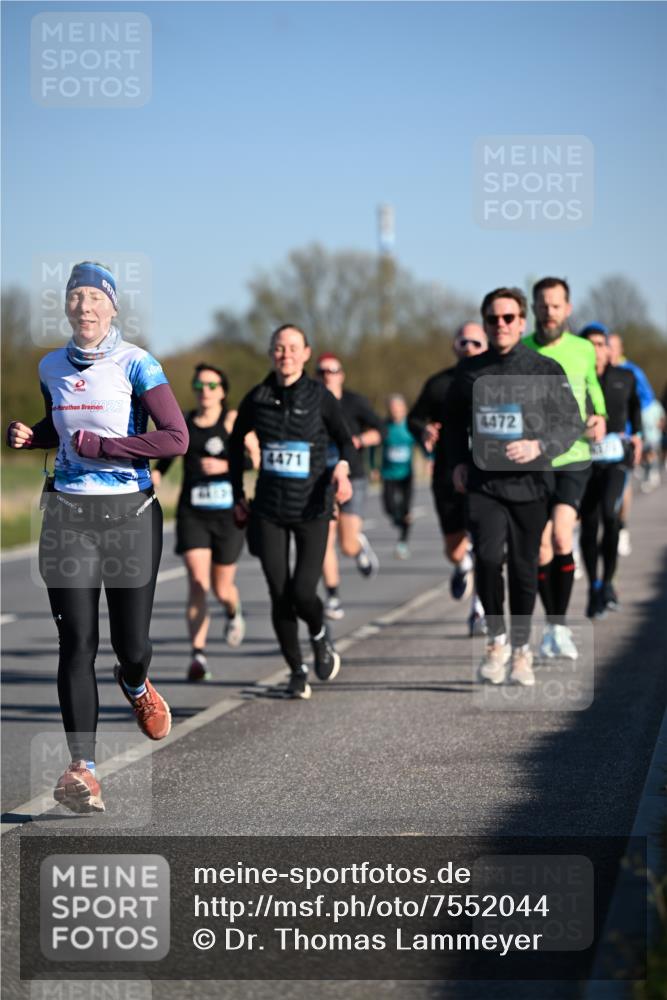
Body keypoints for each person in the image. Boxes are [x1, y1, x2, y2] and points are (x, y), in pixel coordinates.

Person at [7, 262, 188, 813]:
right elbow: (60, 427)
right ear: (66, 306)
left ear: (112, 308)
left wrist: (106, 449)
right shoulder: (50, 366)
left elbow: (175, 438)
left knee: (131, 646)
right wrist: (29, 434)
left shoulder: (138, 363)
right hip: (66, 516)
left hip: (131, 514)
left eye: (94, 298)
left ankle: (135, 684)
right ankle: (82, 768)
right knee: (76, 643)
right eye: (75, 297)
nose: (83, 307)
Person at [443, 287, 583, 686]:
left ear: (522, 323)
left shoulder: (544, 369)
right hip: (484, 484)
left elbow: (569, 423)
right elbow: (453, 422)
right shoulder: (469, 372)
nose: (500, 325)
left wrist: (539, 445)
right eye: (493, 319)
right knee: (487, 558)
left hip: (531, 484)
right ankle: (497, 640)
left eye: (508, 318)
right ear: (485, 323)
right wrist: (456, 462)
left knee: (524, 569)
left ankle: (522, 650)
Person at [228, 324, 355, 699]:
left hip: (313, 506)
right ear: (271, 353)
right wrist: (238, 495)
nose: (285, 354)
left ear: (306, 353)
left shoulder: (320, 396)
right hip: (268, 508)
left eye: (292, 348)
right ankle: (296, 670)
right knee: (279, 593)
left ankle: (319, 635)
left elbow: (346, 442)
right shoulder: (258, 397)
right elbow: (235, 448)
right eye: (279, 348)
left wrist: (343, 470)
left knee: (303, 591)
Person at [152, 364, 259, 681]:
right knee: (198, 584)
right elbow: (169, 455)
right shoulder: (184, 421)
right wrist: (156, 473)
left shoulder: (233, 421)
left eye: (212, 385)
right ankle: (198, 656)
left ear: (223, 391)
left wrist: (225, 464)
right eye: (199, 385)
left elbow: (256, 460)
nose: (204, 391)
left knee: (222, 587)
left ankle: (232, 609)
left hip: (228, 514)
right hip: (193, 513)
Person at [524, 277, 606, 660]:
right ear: (534, 308)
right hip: (535, 458)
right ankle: (552, 626)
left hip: (573, 454)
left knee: (560, 537)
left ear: (567, 309)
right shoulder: (522, 349)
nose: (548, 311)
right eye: (542, 304)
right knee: (540, 545)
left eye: (555, 305)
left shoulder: (582, 349)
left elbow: (592, 386)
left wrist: (601, 415)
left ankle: (559, 627)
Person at [408, 323, 489, 635]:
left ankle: (479, 611)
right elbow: (415, 418)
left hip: (484, 473)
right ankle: (461, 564)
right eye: (463, 341)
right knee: (455, 548)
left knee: (486, 543)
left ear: (486, 345)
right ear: (455, 345)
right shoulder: (439, 383)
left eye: (476, 342)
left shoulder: (496, 381)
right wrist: (424, 431)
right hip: (447, 472)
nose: (469, 347)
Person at [578, 325, 642, 618]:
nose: (596, 349)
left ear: (608, 348)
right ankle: (594, 585)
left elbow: (634, 407)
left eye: (600, 344)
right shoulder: (575, 379)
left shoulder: (624, 377)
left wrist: (638, 435)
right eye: (589, 344)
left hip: (615, 458)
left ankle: (609, 582)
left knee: (609, 514)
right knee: (589, 524)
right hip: (584, 459)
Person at [315, 352, 383, 621]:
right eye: (322, 372)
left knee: (347, 545)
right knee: (324, 540)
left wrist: (359, 440)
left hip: (353, 476)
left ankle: (358, 546)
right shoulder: (310, 402)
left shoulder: (355, 402)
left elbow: (380, 430)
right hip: (321, 479)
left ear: (341, 375)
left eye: (333, 371)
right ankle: (332, 596)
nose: (327, 376)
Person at [380, 394, 416, 559]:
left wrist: (430, 459)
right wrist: (374, 466)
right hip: (388, 474)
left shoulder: (410, 427)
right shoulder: (384, 427)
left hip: (406, 475)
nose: (396, 411)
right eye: (393, 408)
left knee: (405, 510)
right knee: (389, 507)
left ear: (404, 409)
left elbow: (422, 443)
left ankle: (402, 542)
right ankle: (398, 520)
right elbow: (374, 448)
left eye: (399, 408)